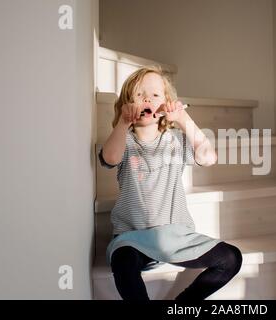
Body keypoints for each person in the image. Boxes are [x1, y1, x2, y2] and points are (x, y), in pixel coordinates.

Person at [98, 66, 243, 300]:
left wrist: (183, 119)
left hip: (174, 236)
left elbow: (208, 157)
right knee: (122, 262)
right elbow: (110, 157)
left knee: (231, 258)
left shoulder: (175, 141)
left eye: (155, 95)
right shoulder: (124, 141)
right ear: (127, 103)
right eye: (139, 94)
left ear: (166, 104)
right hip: (132, 238)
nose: (147, 98)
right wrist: (123, 124)